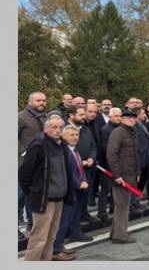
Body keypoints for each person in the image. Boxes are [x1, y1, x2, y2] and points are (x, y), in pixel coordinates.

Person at [19, 116, 74, 261]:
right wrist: (34, 193)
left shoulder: (62, 145)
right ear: (45, 129)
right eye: (54, 127)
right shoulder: (39, 146)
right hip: (45, 200)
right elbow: (25, 174)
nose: (57, 131)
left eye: (60, 128)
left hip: (59, 199)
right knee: (39, 238)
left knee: (51, 236)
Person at [52, 126, 92, 261]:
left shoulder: (74, 150)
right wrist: (78, 183)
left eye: (76, 135)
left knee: (69, 220)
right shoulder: (64, 152)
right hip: (69, 191)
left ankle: (59, 245)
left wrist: (84, 180)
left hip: (77, 190)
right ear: (64, 137)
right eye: (71, 135)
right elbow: (68, 173)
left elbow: (80, 168)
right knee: (62, 222)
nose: (75, 137)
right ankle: (56, 250)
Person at [106, 110, 140, 244]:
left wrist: (138, 173)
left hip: (130, 174)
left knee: (123, 204)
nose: (131, 120)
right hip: (121, 176)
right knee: (122, 206)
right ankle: (120, 235)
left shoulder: (132, 133)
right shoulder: (118, 133)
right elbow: (111, 154)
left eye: (133, 118)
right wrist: (117, 175)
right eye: (128, 118)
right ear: (122, 119)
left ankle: (117, 231)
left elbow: (135, 155)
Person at [18, 91, 47, 239]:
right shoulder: (21, 117)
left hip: (40, 165)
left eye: (43, 100)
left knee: (32, 195)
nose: (42, 103)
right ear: (30, 102)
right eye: (38, 100)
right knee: (18, 197)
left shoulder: (45, 118)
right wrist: (23, 152)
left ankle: (32, 223)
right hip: (22, 164)